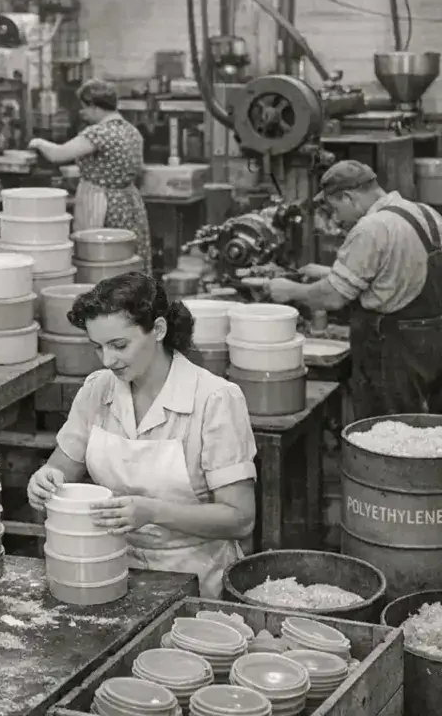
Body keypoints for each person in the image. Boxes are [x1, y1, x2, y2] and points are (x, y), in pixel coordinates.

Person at [27, 273, 257, 598]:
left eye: (119, 345)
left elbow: (240, 519)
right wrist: (47, 479)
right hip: (109, 568)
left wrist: (152, 512)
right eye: (98, 347)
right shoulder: (98, 389)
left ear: (159, 330)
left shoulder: (215, 399)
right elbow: (62, 466)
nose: (108, 360)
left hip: (195, 580)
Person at [268, 160, 442, 418]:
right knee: (423, 429)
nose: (336, 217)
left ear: (349, 197)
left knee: (387, 429)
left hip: (393, 348)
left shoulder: (371, 228)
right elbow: (400, 272)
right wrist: (331, 273)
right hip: (430, 340)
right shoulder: (423, 212)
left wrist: (289, 290)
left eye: (335, 207)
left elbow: (333, 297)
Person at [28, 78, 152, 275]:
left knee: (101, 262)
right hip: (129, 202)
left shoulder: (99, 132)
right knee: (124, 260)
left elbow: (59, 154)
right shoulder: (131, 130)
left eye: (84, 108)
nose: (81, 113)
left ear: (95, 106)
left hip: (102, 203)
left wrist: (38, 142)